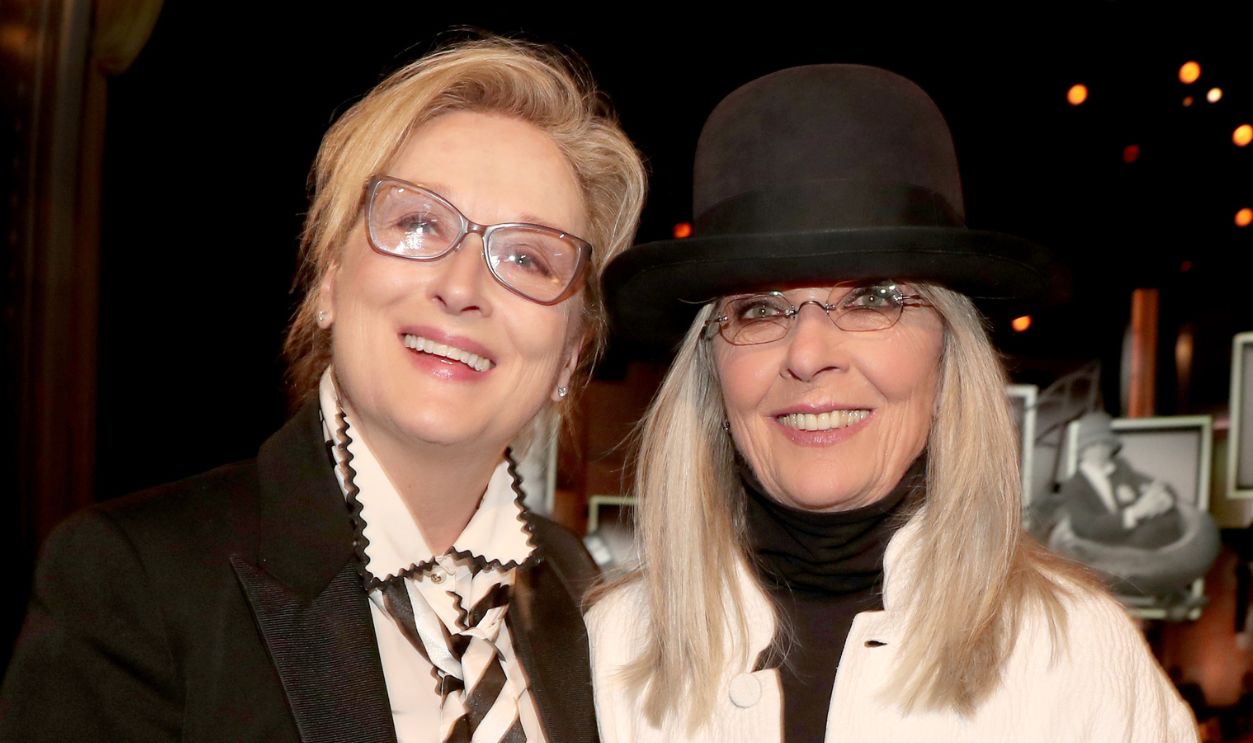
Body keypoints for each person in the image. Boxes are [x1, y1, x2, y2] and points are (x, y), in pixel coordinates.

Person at [2, 37, 645, 743]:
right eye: (418, 223)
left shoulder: (583, 595)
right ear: (330, 280)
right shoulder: (134, 580)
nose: (462, 286)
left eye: (526, 257)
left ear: (571, 352)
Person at [588, 65, 1196, 741]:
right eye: (759, 309)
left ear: (948, 352)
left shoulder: (1074, 655)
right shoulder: (606, 653)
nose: (807, 352)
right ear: (709, 365)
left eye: (872, 299)